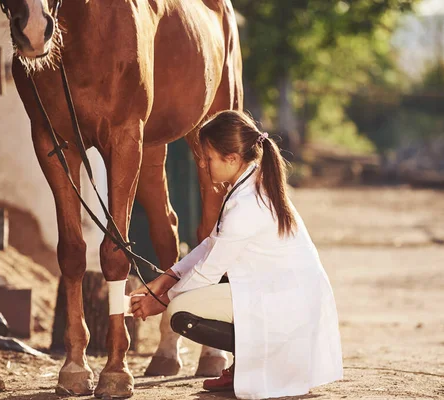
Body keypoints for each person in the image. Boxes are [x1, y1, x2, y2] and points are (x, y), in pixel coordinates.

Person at [130, 110, 343, 399]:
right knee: (179, 299)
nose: (203, 166)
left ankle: (253, 361)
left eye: (208, 159)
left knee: (179, 313)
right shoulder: (249, 184)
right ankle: (247, 362)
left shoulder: (247, 204)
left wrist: (161, 302)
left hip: (286, 304)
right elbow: (211, 245)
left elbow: (208, 272)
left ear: (231, 159)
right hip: (281, 295)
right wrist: (166, 278)